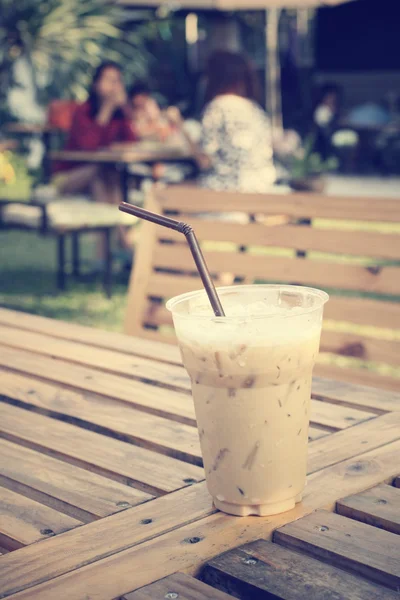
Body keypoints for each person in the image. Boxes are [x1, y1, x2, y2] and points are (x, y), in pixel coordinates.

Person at [53, 61, 136, 251]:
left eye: (118, 81)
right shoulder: (82, 112)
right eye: (109, 80)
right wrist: (106, 109)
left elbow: (132, 142)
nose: (114, 86)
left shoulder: (119, 115)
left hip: (98, 178)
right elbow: (88, 147)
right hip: (67, 178)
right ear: (96, 84)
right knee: (100, 173)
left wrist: (125, 111)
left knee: (103, 178)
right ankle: (125, 244)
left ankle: (103, 254)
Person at [169, 51, 277, 193]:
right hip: (262, 189)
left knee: (166, 189)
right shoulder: (255, 109)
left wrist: (180, 125)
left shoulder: (216, 108)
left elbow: (204, 162)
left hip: (226, 193)